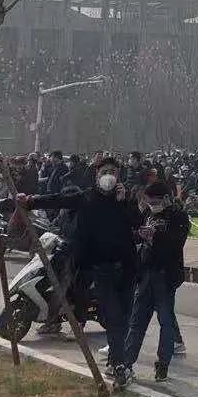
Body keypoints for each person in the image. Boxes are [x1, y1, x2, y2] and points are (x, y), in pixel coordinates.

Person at [19, 157, 140, 376]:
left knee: (124, 317)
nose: (109, 176)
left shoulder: (124, 200)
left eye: (113, 172)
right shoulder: (85, 197)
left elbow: (137, 222)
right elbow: (58, 199)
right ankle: (119, 364)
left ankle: (115, 361)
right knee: (114, 316)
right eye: (105, 171)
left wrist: (124, 202)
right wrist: (31, 201)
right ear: (97, 175)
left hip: (126, 268)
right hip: (99, 268)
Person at [121, 182, 190, 386]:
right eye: (149, 201)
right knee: (136, 322)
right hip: (145, 274)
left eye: (155, 201)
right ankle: (126, 363)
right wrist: (140, 235)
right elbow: (135, 233)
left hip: (165, 276)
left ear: (166, 198)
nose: (152, 205)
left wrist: (155, 236)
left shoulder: (178, 216)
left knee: (165, 323)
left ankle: (162, 365)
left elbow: (176, 243)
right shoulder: (148, 213)